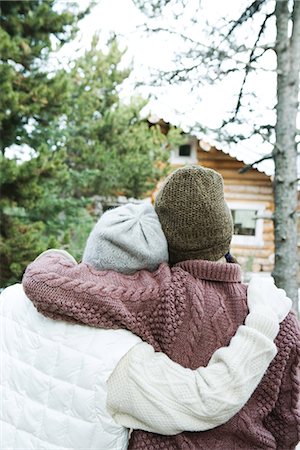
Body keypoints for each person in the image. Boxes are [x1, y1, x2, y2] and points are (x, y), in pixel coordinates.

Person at [20, 169, 299, 449]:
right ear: (227, 231)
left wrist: (55, 258)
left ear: (166, 237)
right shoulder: (280, 314)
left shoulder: (162, 294)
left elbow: (47, 286)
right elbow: (289, 423)